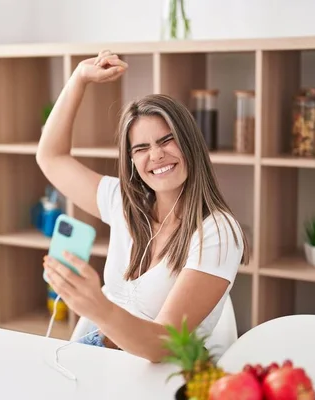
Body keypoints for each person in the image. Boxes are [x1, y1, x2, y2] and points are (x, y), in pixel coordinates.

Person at [37, 50, 249, 363]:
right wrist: (78, 79)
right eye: (142, 148)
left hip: (161, 377)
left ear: (190, 142)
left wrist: (97, 305)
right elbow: (50, 157)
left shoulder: (217, 231)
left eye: (167, 140)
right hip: (101, 359)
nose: (157, 156)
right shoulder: (125, 202)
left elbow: (164, 346)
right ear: (133, 161)